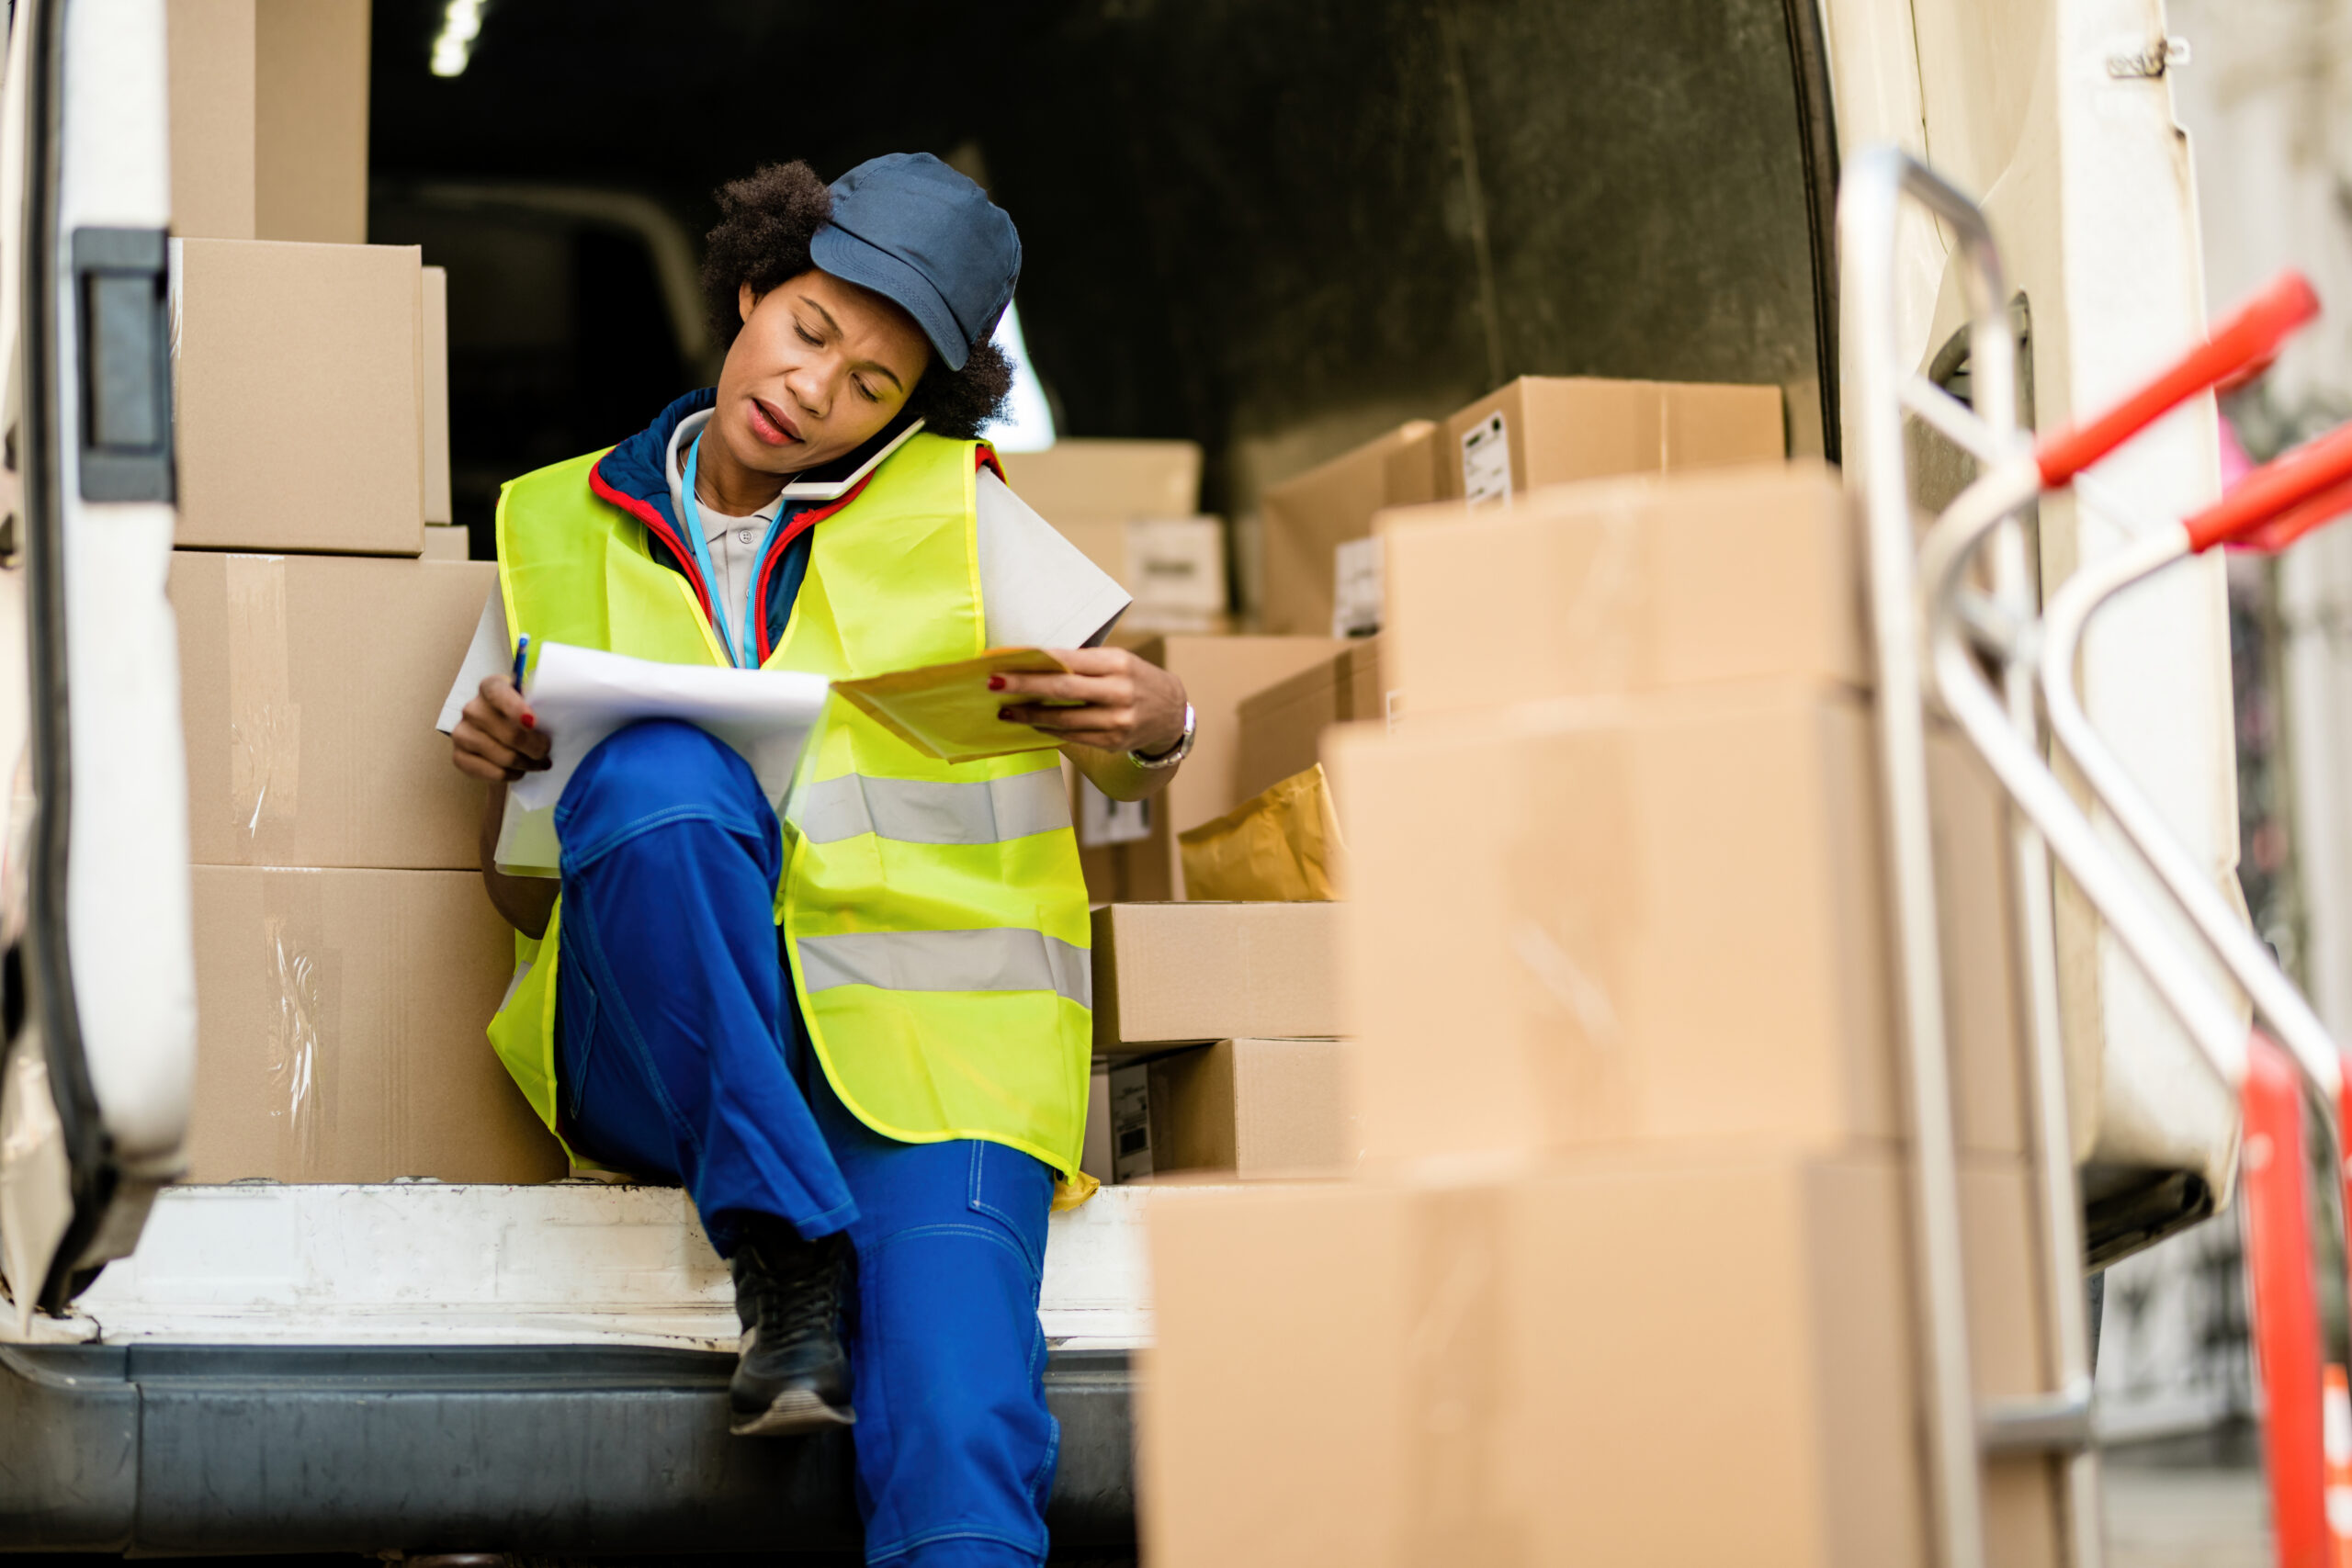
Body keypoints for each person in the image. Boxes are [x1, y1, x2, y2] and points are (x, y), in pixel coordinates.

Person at [435, 152, 1193, 1567]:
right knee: (657, 777)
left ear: (914, 410)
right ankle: (786, 1247)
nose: (814, 392)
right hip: (666, 1064)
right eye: (810, 332)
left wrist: (1165, 719)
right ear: (751, 288)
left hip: (928, 1069)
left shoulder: (963, 514)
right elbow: (519, 898)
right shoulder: (546, 522)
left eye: (872, 387)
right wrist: (509, 779)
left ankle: (822, 1272)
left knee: (964, 1431)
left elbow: (1123, 733)